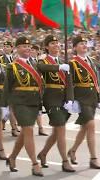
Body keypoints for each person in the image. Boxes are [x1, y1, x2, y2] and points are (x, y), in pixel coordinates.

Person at [5, 36, 51, 176]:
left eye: (29, 46)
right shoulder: (12, 66)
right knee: (29, 130)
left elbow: (45, 74)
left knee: (26, 132)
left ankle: (12, 157)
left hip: (33, 102)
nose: (27, 49)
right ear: (17, 49)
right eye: (24, 46)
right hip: (20, 103)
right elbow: (7, 88)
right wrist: (4, 105)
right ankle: (34, 164)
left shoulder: (35, 64)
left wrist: (60, 66)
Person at [36, 35, 75, 172]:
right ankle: (65, 161)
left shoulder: (63, 60)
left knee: (57, 131)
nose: (56, 45)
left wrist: (70, 99)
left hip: (63, 98)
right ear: (46, 46)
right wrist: (58, 67)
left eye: (57, 43)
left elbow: (69, 82)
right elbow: (41, 68)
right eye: (52, 43)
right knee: (61, 129)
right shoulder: (43, 59)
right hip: (51, 98)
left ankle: (43, 153)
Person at [67, 36, 100, 169]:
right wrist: (71, 100)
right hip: (82, 98)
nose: (84, 45)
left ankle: (72, 150)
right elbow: (69, 84)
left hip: (92, 97)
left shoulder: (91, 61)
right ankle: (93, 159)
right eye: (81, 43)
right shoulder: (72, 63)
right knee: (91, 126)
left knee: (84, 128)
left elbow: (95, 82)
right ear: (75, 47)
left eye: (85, 43)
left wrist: (98, 98)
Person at [30, 44, 48, 136]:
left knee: (39, 109)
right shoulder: (27, 61)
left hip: (39, 88)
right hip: (30, 88)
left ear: (37, 52)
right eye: (31, 50)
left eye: (33, 50)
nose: (31, 51)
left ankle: (40, 128)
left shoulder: (40, 61)